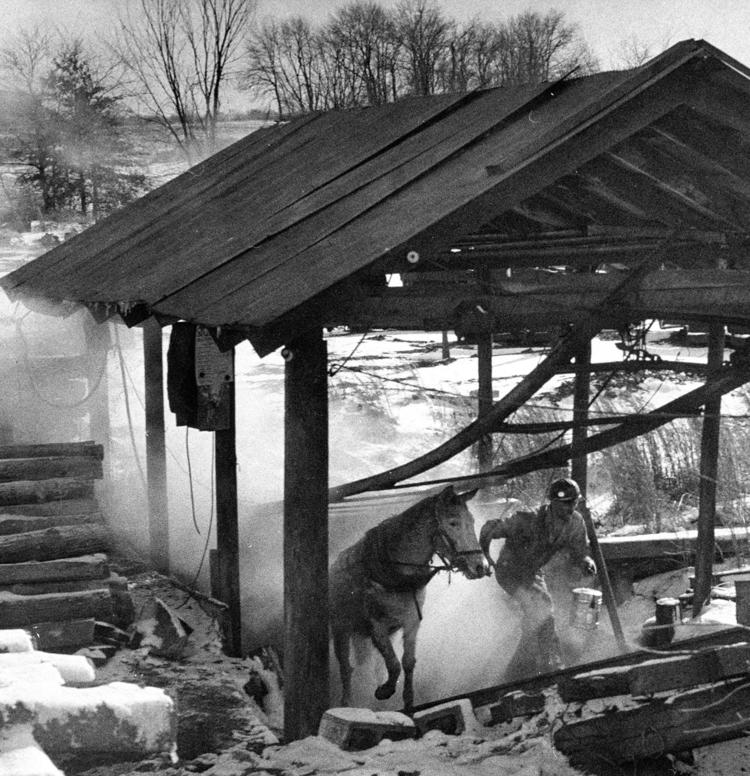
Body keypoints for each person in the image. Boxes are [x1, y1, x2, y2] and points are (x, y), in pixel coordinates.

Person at [479, 477, 597, 676]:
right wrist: (487, 558)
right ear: (553, 503)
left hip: (533, 573)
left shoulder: (575, 523)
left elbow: (579, 550)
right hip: (509, 572)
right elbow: (489, 530)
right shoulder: (528, 519)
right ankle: (551, 663)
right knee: (542, 608)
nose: (571, 508)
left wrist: (586, 561)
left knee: (538, 615)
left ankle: (520, 666)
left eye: (574, 502)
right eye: (566, 503)